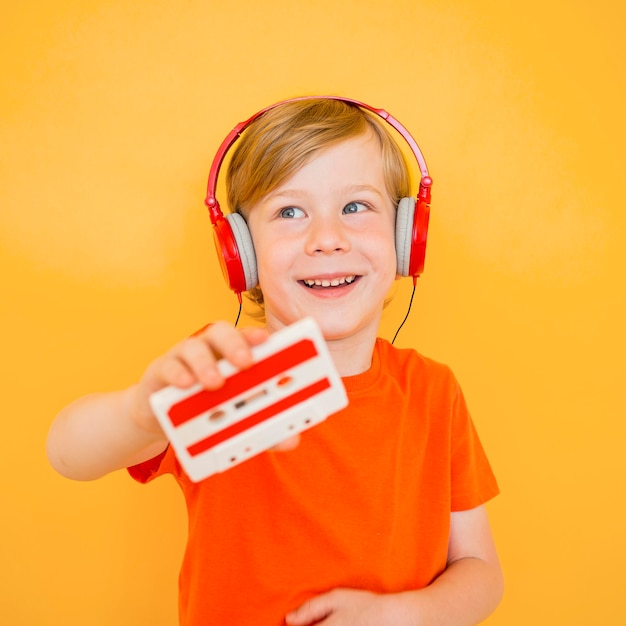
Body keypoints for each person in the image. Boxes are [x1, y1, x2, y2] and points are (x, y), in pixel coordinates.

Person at [46, 97, 503, 625]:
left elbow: (480, 569)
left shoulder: (432, 391)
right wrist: (140, 413)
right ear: (240, 252)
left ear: (407, 237)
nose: (327, 240)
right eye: (290, 212)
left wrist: (406, 614)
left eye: (356, 207)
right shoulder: (224, 371)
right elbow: (67, 453)